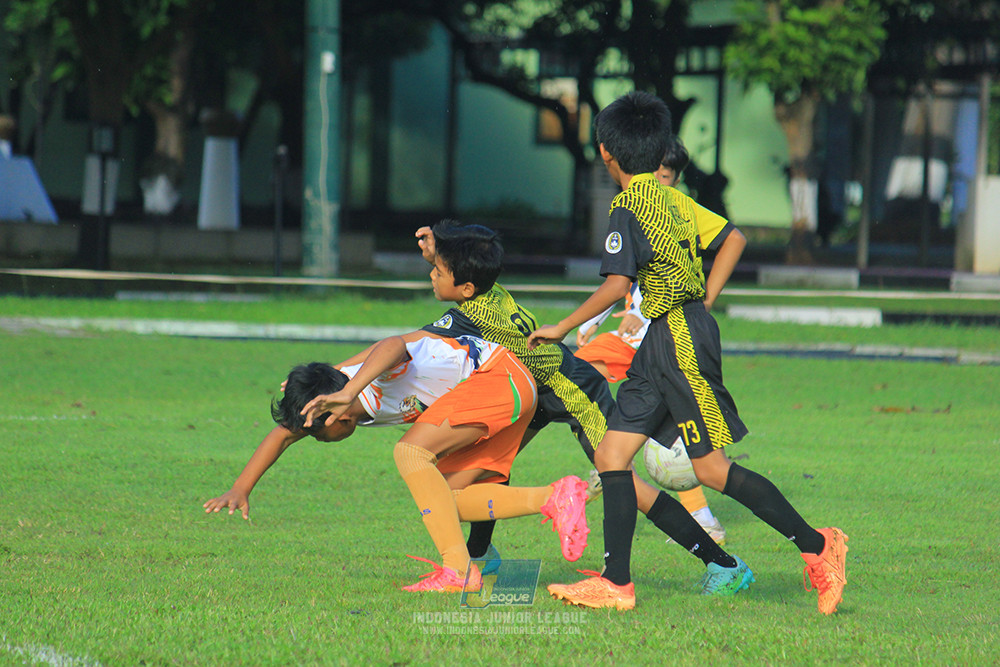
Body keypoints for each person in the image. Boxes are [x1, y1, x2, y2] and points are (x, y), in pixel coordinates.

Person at [529, 91, 848, 614]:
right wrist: (705, 299)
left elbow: (616, 285)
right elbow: (733, 238)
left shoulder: (627, 205)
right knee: (611, 456)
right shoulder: (673, 198)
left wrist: (562, 326)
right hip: (666, 335)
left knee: (713, 470)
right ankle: (616, 583)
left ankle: (819, 546)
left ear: (606, 153)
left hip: (677, 338)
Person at [204, 241, 592, 593]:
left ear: (338, 419)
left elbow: (393, 345)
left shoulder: (358, 385)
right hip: (506, 392)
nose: (319, 440)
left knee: (409, 452)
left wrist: (350, 391)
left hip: (499, 377)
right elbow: (284, 434)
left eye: (320, 436)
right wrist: (241, 488)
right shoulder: (332, 397)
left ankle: (457, 571)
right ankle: (555, 497)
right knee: (447, 501)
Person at [414, 220, 748, 595]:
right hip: (528, 393)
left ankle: (723, 564)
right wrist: (439, 254)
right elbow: (458, 274)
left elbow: (408, 347)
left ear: (464, 283)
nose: (431, 274)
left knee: (626, 484)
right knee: (477, 471)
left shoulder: (467, 316)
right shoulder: (485, 288)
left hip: (571, 390)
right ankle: (479, 554)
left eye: (437, 269)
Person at [576, 134, 727, 546]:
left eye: (665, 175)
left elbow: (668, 280)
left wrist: (641, 314)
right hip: (640, 336)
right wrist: (598, 319)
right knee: (666, 429)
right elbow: (622, 280)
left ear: (675, 179)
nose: (656, 181)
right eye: (653, 173)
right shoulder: (639, 207)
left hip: (655, 339)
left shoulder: (672, 210)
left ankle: (611, 458)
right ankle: (617, 457)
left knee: (573, 375)